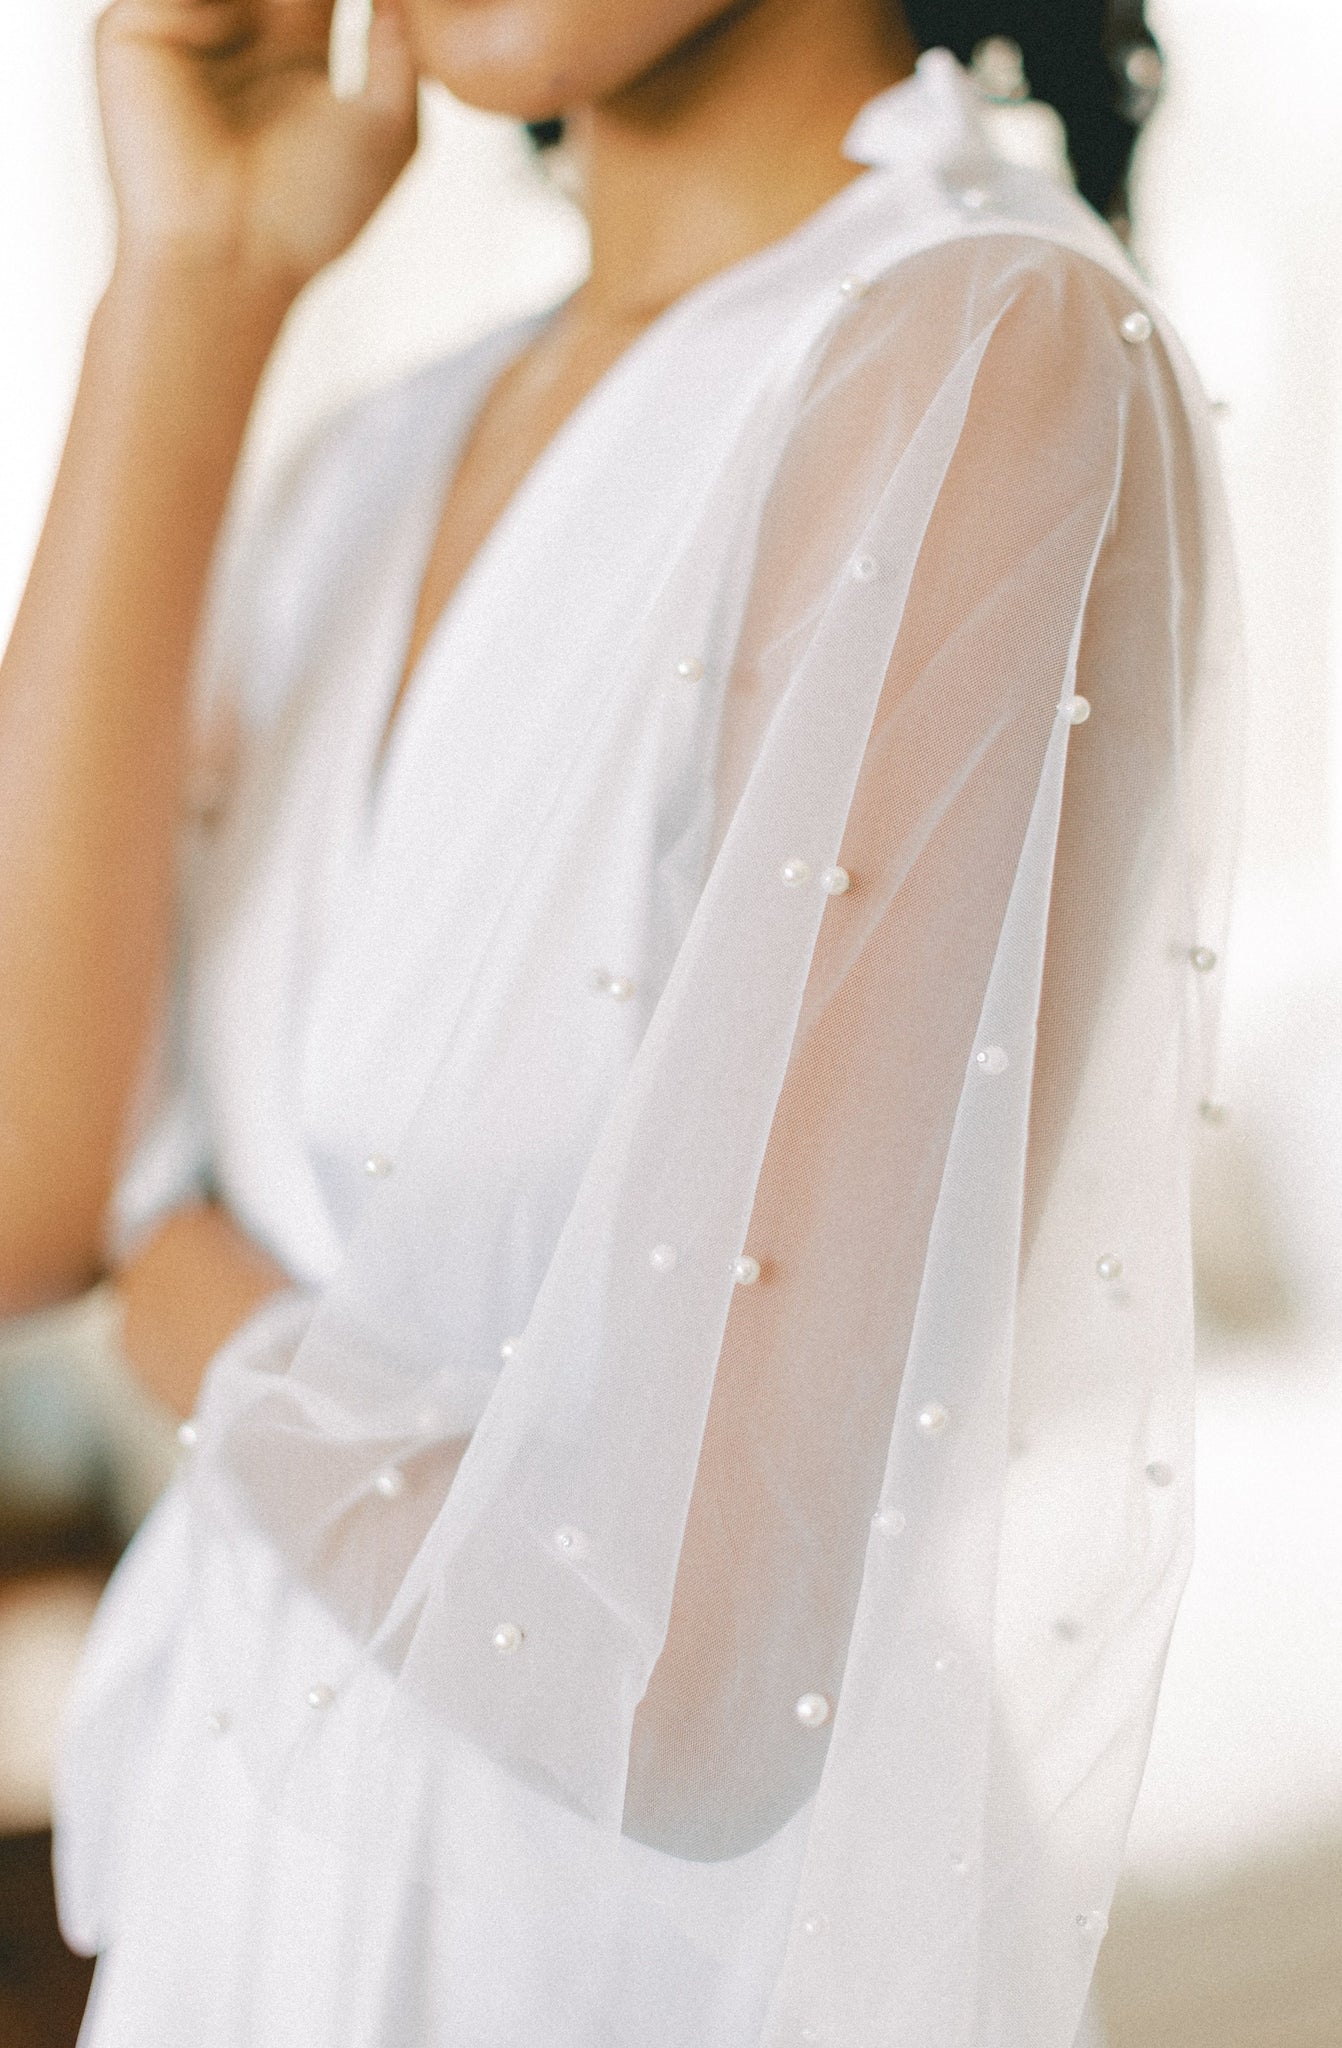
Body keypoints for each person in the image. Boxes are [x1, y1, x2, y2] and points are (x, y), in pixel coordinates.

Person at [0, 2, 1238, 2043]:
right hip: (250, 1930)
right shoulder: (363, 461)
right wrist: (187, 297)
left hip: (619, 1978)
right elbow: (23, 1192)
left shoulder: (971, 347)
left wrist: (192, 1295)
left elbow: (687, 1665)